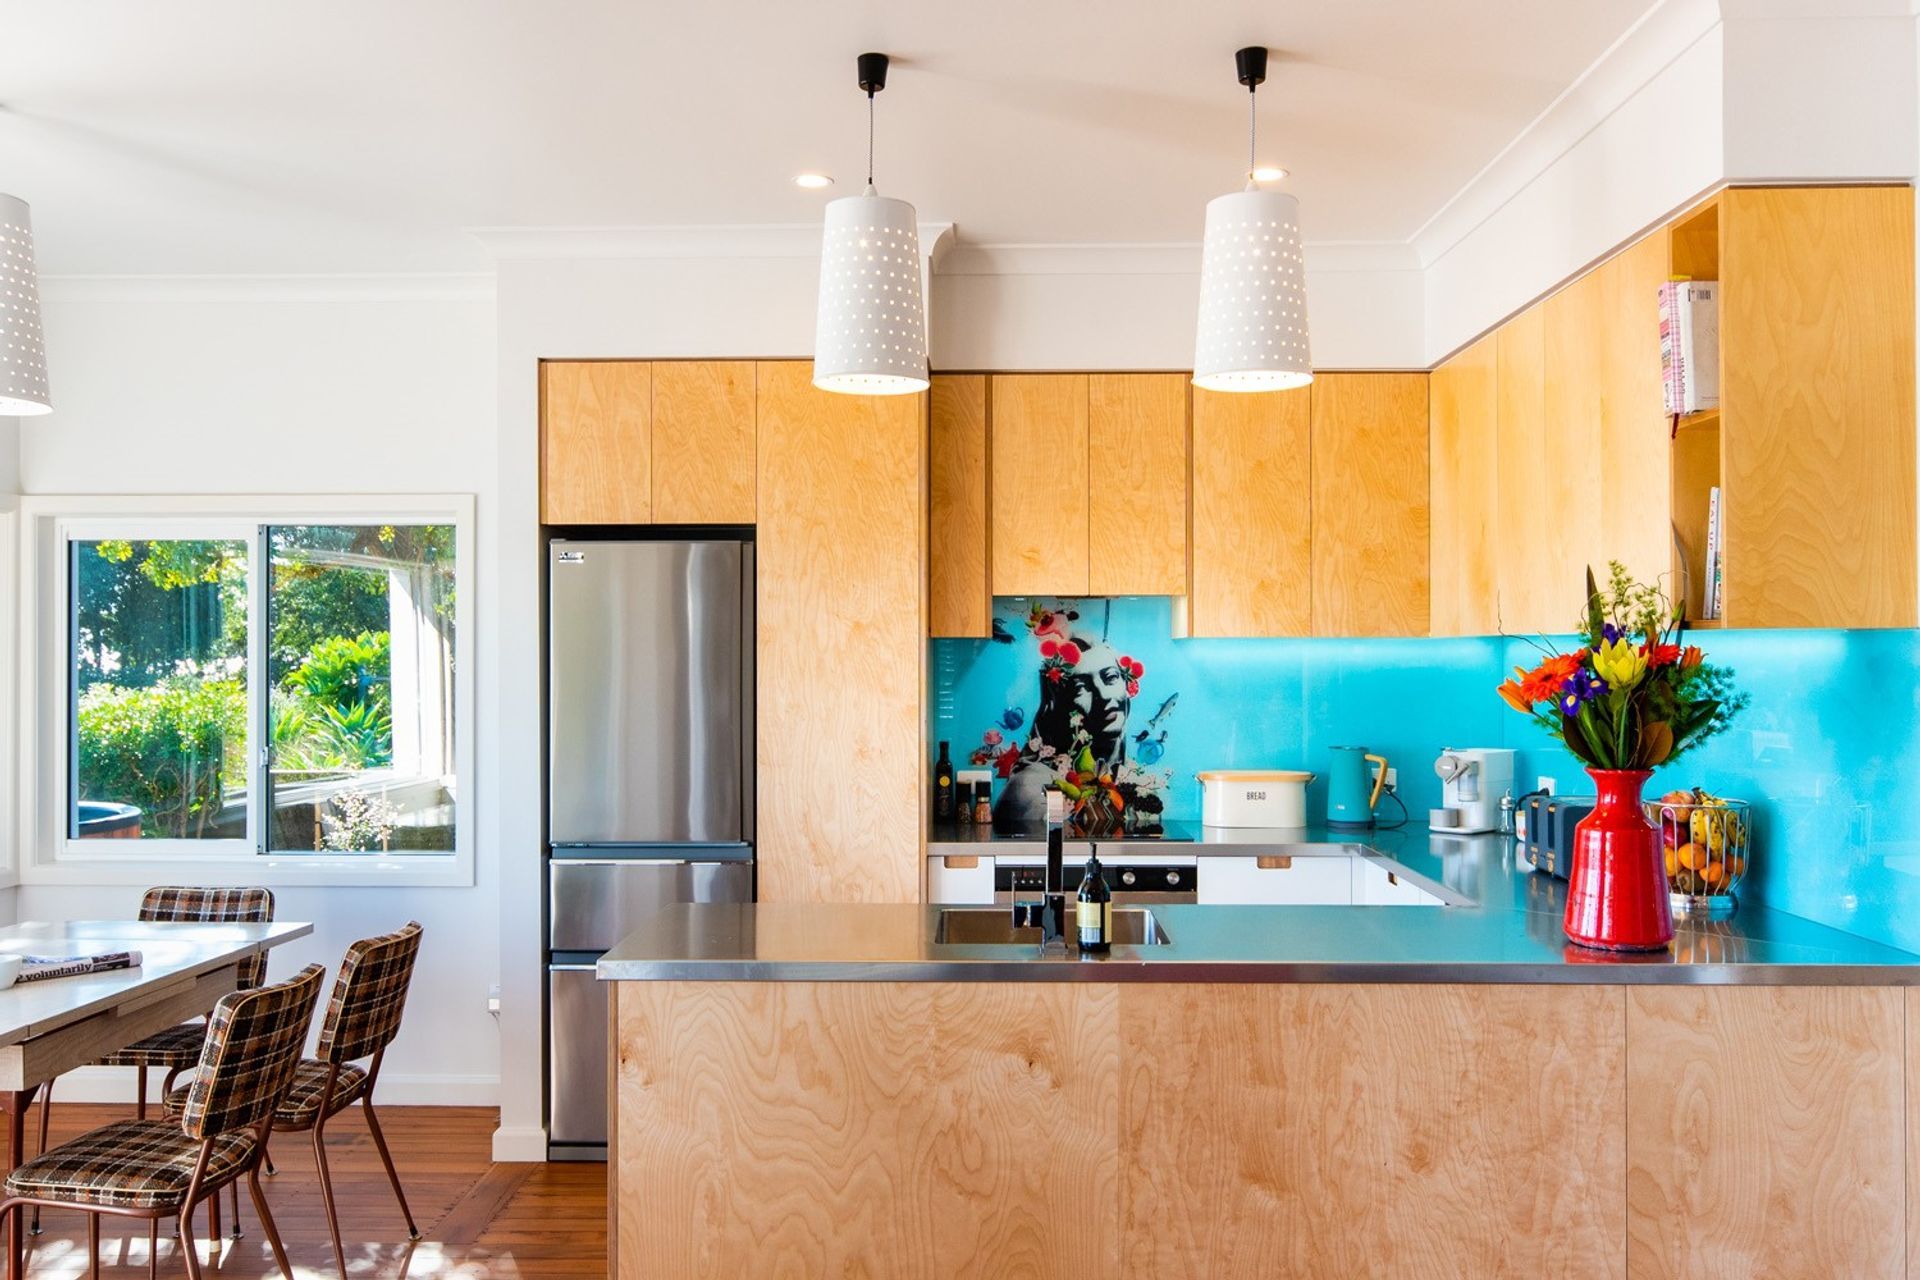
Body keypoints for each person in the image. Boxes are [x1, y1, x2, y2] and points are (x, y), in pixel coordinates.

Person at [992, 633, 1134, 831]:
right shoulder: (1033, 784)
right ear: (1059, 703)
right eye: (1081, 687)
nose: (1103, 695)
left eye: (1110, 677)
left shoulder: (1117, 774)